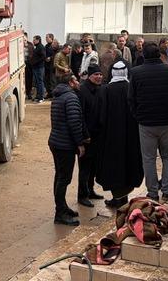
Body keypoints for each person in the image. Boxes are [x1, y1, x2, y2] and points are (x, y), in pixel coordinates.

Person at [128, 42, 168, 203]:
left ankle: (152, 192)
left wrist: (138, 116)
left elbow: (131, 99)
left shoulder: (136, 73)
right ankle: (167, 190)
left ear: (143, 55)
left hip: (146, 122)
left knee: (149, 158)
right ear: (160, 54)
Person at [96, 61, 143, 208]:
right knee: (129, 163)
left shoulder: (106, 90)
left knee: (114, 166)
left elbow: (101, 116)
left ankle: (118, 197)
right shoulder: (131, 87)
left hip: (111, 137)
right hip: (130, 135)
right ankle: (122, 197)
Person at [48, 75, 86, 226]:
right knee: (64, 178)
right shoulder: (70, 97)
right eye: (75, 80)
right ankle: (60, 214)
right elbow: (74, 122)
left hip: (56, 142)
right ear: (70, 83)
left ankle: (62, 207)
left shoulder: (58, 96)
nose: (78, 82)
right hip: (65, 145)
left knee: (59, 176)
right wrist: (80, 143)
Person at [77, 65, 105, 206]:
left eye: (100, 74)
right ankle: (82, 195)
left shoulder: (101, 89)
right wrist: (84, 135)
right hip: (86, 136)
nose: (99, 77)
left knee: (93, 165)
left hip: (98, 135)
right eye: (96, 75)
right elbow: (79, 115)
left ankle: (90, 190)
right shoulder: (82, 90)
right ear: (89, 76)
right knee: (85, 167)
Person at [29, 35, 47, 102]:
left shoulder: (41, 47)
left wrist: (35, 62)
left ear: (38, 40)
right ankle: (38, 96)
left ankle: (41, 97)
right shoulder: (37, 47)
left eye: (34, 40)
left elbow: (43, 57)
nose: (33, 41)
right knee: (37, 82)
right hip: (36, 67)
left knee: (40, 82)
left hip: (39, 68)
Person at [44, 34, 57, 100]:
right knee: (47, 80)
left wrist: (50, 58)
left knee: (53, 81)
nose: (46, 39)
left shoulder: (54, 46)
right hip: (46, 66)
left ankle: (54, 95)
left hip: (52, 66)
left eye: (47, 37)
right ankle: (49, 93)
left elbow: (56, 55)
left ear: (51, 38)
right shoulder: (46, 46)